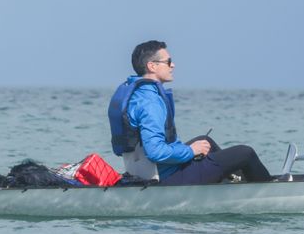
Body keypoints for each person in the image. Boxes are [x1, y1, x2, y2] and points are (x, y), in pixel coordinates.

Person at [107, 40, 272, 185]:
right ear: (152, 66)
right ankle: (268, 192)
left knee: (205, 141)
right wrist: (191, 151)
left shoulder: (137, 94)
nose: (173, 65)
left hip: (144, 170)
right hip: (166, 177)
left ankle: (236, 182)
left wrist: (193, 149)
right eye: (168, 61)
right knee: (245, 153)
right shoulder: (151, 102)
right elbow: (155, 152)